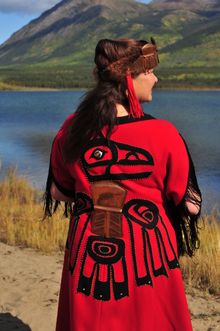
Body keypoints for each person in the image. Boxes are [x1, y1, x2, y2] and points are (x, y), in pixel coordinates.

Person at [44, 37, 202, 331]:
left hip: (86, 257)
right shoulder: (164, 134)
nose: (155, 78)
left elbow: (58, 191)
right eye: (149, 71)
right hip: (145, 261)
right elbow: (191, 205)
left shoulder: (72, 128)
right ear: (129, 78)